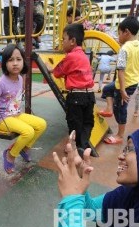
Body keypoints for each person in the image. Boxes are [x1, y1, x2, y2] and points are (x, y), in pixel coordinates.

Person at [0, 44, 47, 174]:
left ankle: (24, 149)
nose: (15, 63)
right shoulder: (1, 82)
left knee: (42, 124)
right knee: (28, 131)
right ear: (4, 63)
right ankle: (10, 155)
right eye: (10, 60)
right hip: (3, 119)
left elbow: (18, 93)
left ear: (23, 62)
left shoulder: (20, 78)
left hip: (16, 114)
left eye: (18, 59)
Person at [47, 23, 96, 157]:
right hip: (89, 95)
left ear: (72, 41)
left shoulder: (70, 57)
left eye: (64, 39)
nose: (62, 42)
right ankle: (82, 145)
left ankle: (75, 148)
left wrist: (49, 67)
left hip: (76, 97)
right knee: (88, 122)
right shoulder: (84, 56)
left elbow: (57, 72)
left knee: (74, 124)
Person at [99, 16, 139, 144]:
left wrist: (122, 90)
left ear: (126, 32)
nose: (118, 36)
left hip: (125, 85)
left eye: (119, 33)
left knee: (120, 109)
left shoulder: (124, 48)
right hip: (132, 81)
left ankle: (120, 136)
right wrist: (138, 72)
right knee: (107, 89)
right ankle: (109, 109)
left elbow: (120, 70)